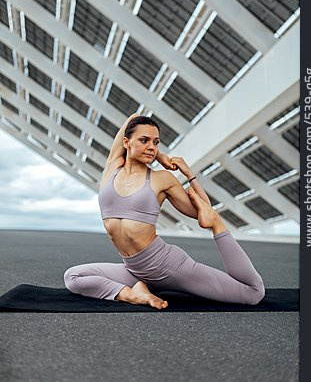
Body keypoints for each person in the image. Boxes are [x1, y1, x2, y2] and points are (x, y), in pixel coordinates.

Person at [64, 114, 265, 309]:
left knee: (253, 293)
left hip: (168, 267)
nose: (151, 147)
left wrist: (188, 173)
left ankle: (139, 290)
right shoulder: (112, 167)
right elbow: (134, 116)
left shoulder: (162, 178)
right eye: (144, 140)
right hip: (134, 269)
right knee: (73, 277)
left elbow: (203, 212)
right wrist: (160, 156)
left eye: (156, 142)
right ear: (126, 142)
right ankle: (134, 294)